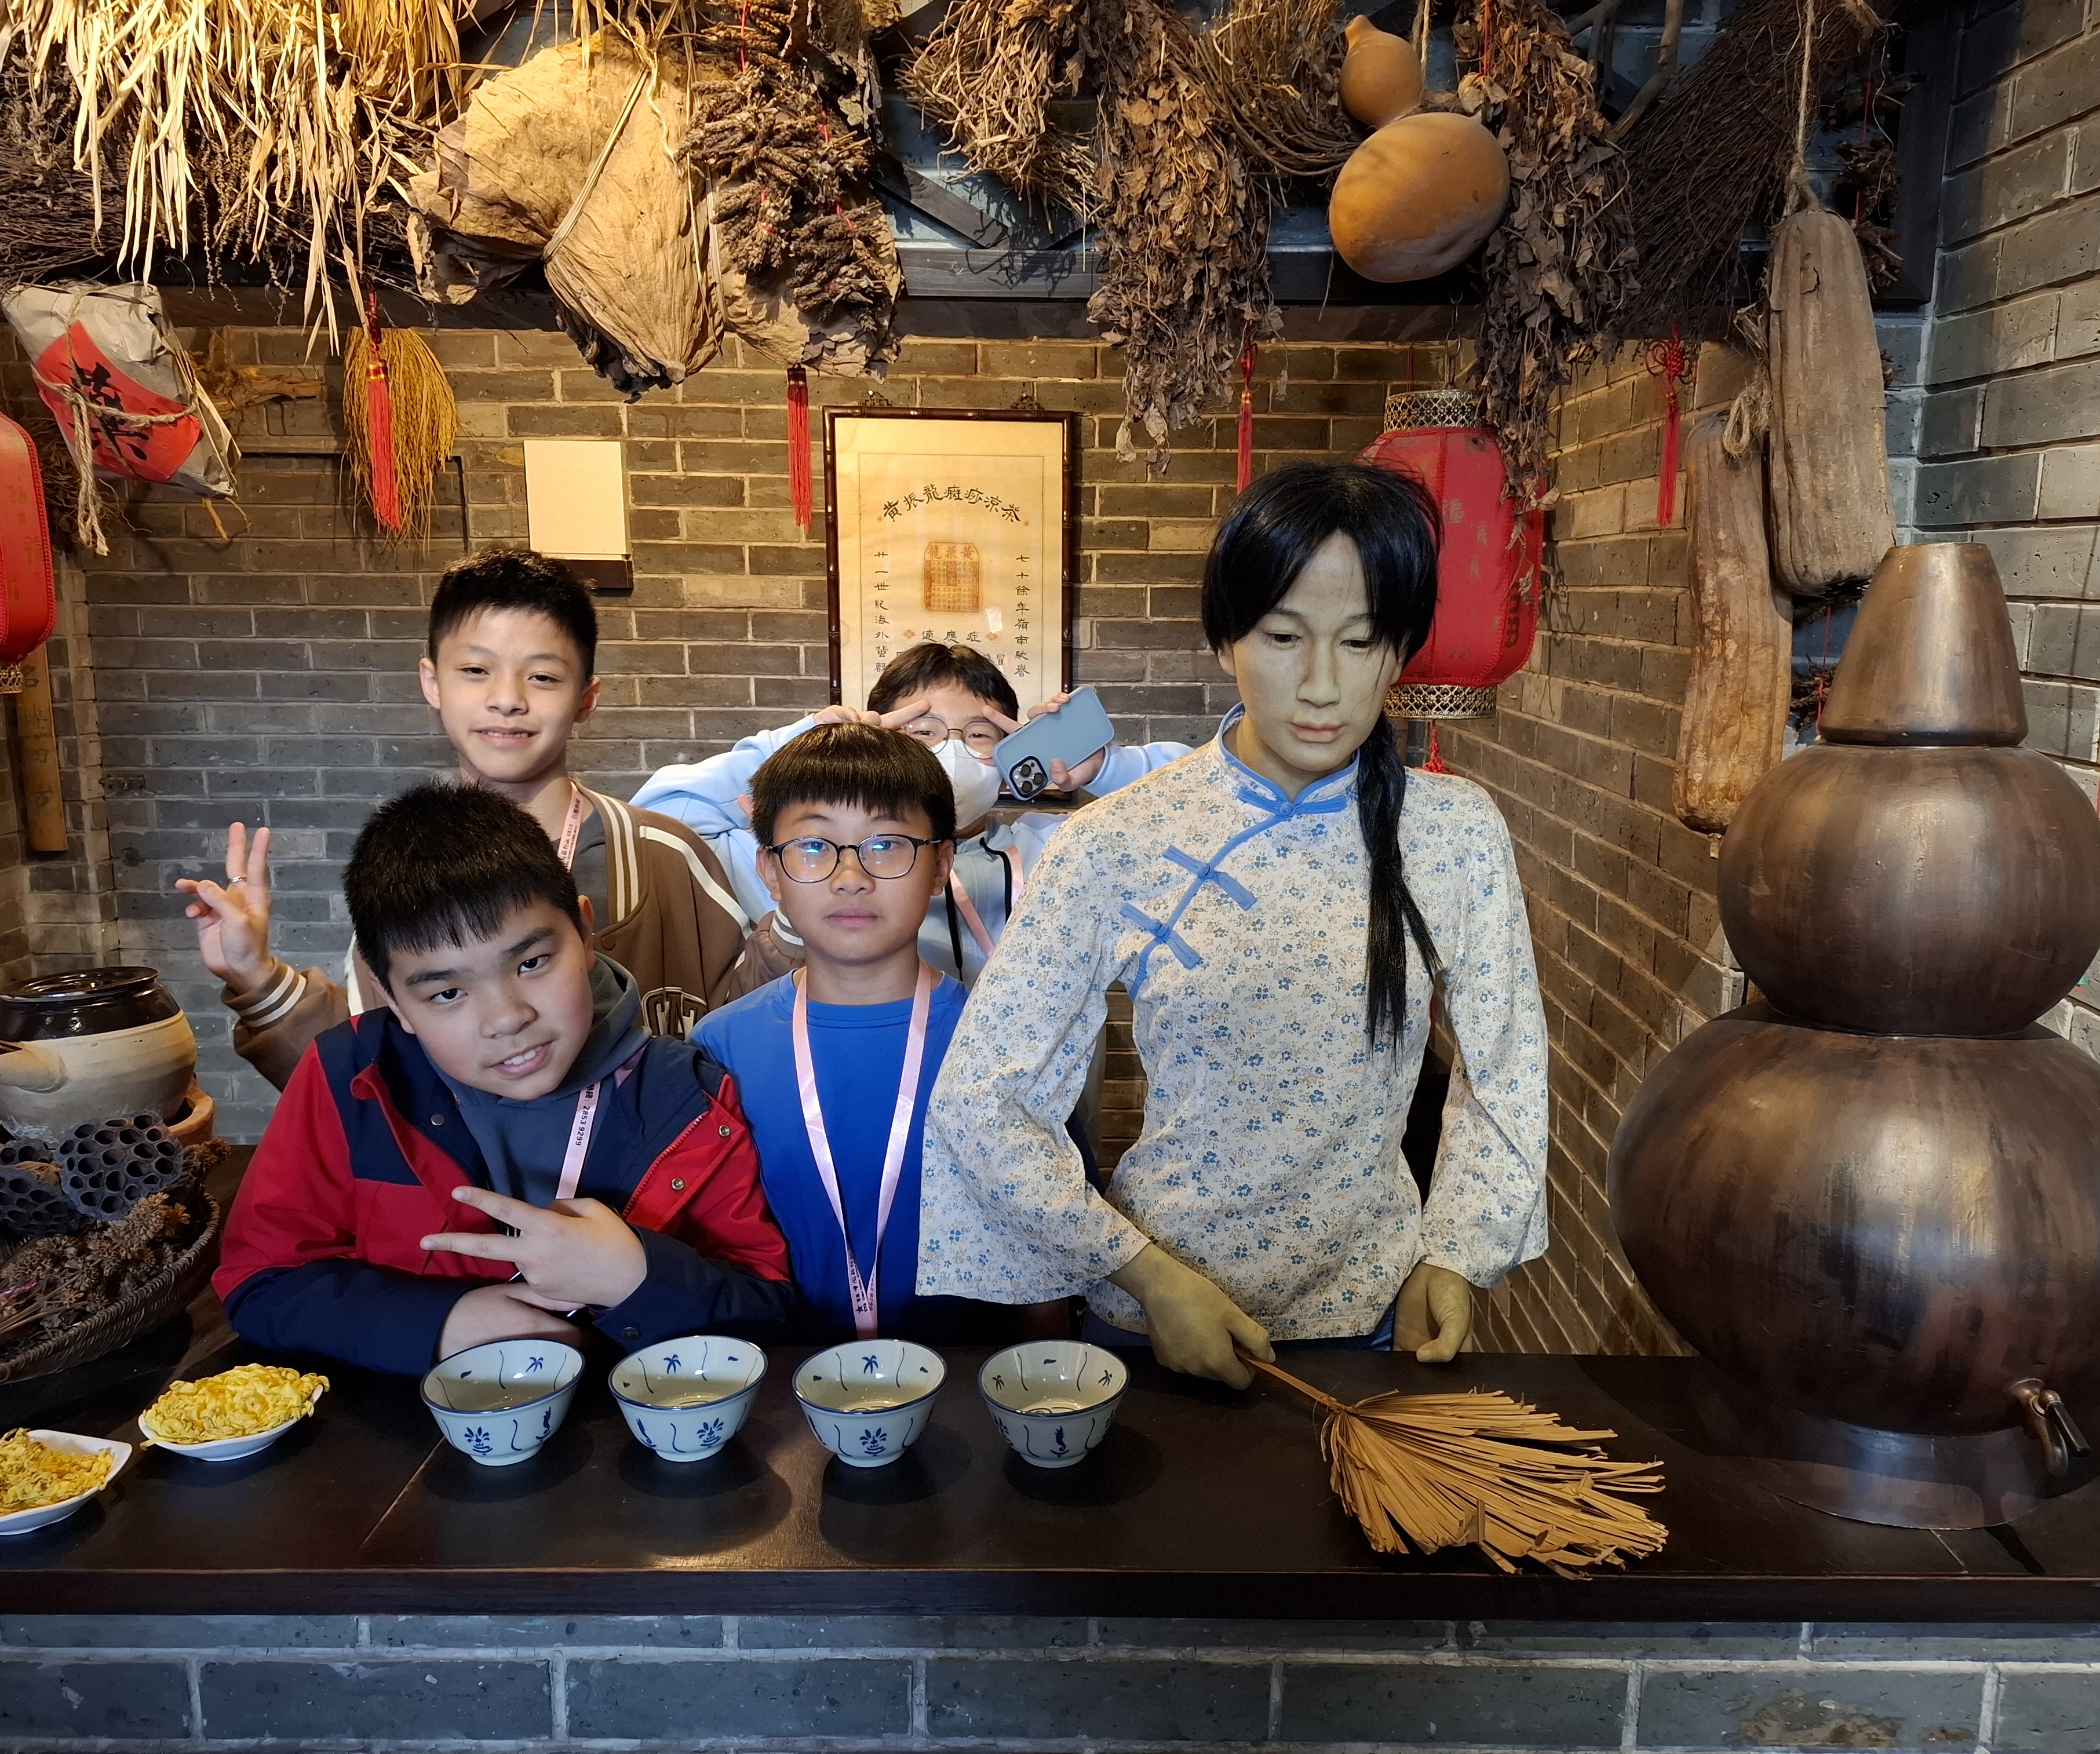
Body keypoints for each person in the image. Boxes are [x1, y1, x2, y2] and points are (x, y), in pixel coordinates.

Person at [918, 461, 1550, 1387]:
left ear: (1402, 648)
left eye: (1362, 641)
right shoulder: (1119, 839)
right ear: (1227, 640)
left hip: (1375, 1316)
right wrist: (1143, 1275)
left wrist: (1459, 1252)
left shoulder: (1453, 833)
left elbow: (1508, 1072)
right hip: (1161, 1320)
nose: (1323, 686)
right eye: (1284, 637)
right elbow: (983, 1098)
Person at [212, 782, 792, 1374]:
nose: (507, 1018)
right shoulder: (349, 1075)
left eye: (532, 963)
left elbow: (767, 1310)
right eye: (447, 993)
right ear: (391, 997)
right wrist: (440, 1323)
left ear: (584, 934)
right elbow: (260, 1280)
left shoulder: (690, 1096)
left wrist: (637, 1278)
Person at [178, 550, 750, 1089]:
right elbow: (369, 1080)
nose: (507, 699)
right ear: (433, 682)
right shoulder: (408, 878)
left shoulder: (665, 855)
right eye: (476, 670)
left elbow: (753, 1027)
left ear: (586, 697)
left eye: (543, 677)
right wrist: (256, 975)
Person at [688, 724, 1028, 1346]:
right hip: (779, 1378)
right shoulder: (719, 1048)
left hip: (973, 1376)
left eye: (886, 844)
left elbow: (1049, 1246)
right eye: (814, 846)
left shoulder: (1008, 1043)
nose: (851, 877)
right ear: (771, 870)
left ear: (940, 865)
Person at [636, 643, 1191, 990]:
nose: (950, 752)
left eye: (979, 735)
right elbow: (656, 816)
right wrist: (804, 743)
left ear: (1010, 752)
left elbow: (1203, 811)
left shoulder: (1054, 847)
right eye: (923, 733)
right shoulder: (811, 859)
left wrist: (1106, 768)